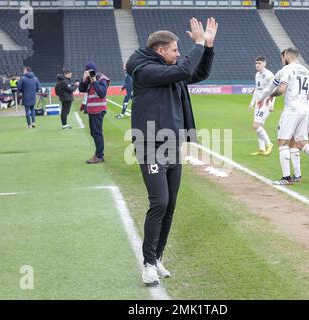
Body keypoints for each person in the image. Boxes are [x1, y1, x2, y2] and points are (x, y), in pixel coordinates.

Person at [126, 17, 218, 285]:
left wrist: (208, 48)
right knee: (160, 202)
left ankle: (156, 259)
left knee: (170, 206)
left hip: (171, 145)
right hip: (149, 144)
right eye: (175, 50)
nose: (178, 54)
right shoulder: (145, 71)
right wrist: (198, 43)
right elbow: (184, 68)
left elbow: (198, 73)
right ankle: (147, 264)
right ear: (161, 50)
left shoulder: (168, 68)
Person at [258, 47, 309, 186]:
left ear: (286, 55)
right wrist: (303, 98)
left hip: (292, 110)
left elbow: (280, 89)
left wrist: (268, 97)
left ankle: (286, 177)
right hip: (304, 110)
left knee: (282, 142)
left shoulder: (287, 69)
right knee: (300, 143)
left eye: (283, 56)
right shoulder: (305, 70)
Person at [78, 62, 110, 163]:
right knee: (94, 133)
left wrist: (94, 80)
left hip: (98, 110)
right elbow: (81, 89)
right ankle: (99, 154)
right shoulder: (88, 80)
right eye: (88, 71)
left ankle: (99, 156)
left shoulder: (101, 78)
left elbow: (102, 93)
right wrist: (84, 80)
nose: (89, 73)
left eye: (91, 71)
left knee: (97, 133)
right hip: (92, 110)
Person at [248, 56, 275, 156]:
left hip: (266, 103)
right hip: (258, 103)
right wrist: (251, 103)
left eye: (259, 63)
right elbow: (257, 89)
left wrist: (271, 104)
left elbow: (273, 91)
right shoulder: (257, 75)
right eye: (256, 63)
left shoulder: (269, 75)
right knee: (260, 126)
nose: (257, 65)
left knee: (256, 125)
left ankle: (269, 144)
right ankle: (262, 149)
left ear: (264, 64)